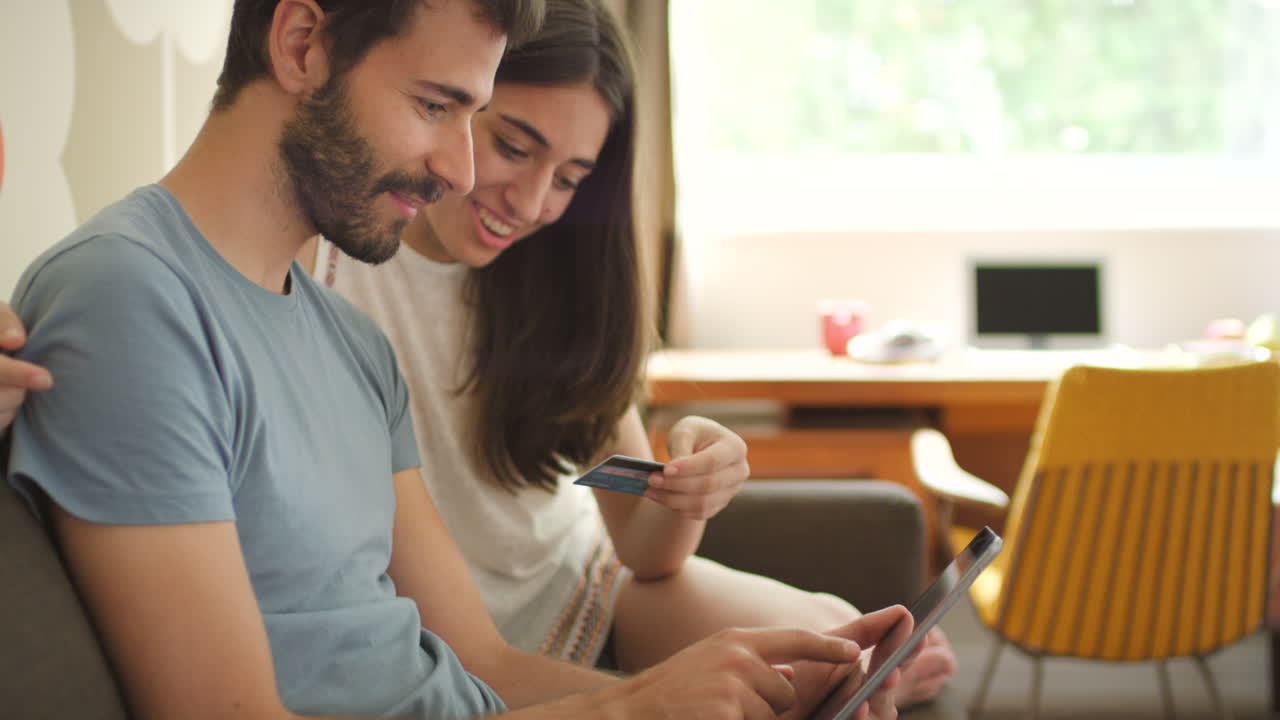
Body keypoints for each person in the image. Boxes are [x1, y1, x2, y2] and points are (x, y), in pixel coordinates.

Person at [1, 1, 908, 719]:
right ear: (301, 42)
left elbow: (482, 663)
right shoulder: (127, 298)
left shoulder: (349, 343)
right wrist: (632, 711)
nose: (463, 171)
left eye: (474, 116)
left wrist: (727, 703)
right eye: (436, 105)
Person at [301, 0, 955, 705]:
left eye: (569, 179)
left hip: (579, 586)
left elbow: (646, 550)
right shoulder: (336, 264)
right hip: (453, 631)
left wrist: (690, 481)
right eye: (514, 148)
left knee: (840, 647)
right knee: (809, 683)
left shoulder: (558, 282)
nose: (529, 203)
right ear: (458, 101)